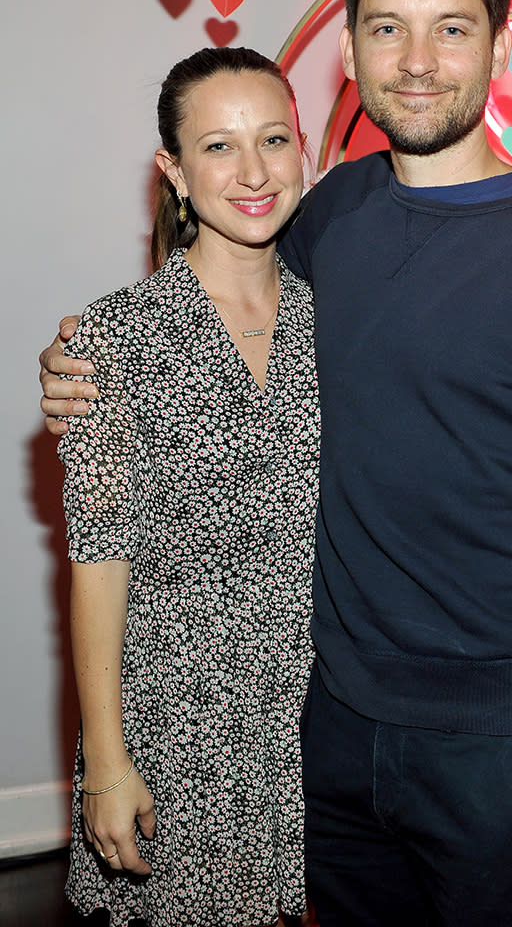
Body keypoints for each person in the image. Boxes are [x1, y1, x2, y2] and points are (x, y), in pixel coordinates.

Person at [37, 0, 512, 926]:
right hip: (329, 731)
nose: (416, 61)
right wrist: (77, 367)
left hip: (501, 746)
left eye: (451, 29)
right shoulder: (327, 220)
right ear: (349, 52)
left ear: (503, 45)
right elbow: (208, 323)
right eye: (386, 29)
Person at [52, 46, 320, 927]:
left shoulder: (341, 321)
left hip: (316, 722)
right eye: (217, 146)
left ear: (303, 148)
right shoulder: (111, 342)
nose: (252, 172)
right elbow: (97, 561)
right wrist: (106, 762)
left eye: (272, 139)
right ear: (172, 169)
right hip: (177, 733)